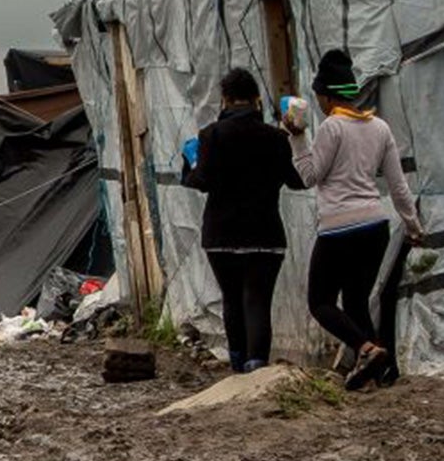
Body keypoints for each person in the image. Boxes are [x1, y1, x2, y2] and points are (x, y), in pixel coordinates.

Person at [286, 49, 425, 389]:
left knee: (320, 302)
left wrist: (297, 136)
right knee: (356, 301)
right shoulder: (380, 128)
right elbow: (398, 186)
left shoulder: (332, 127)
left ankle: (365, 349)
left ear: (328, 95)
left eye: (319, 96)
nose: (318, 102)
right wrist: (413, 226)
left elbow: (309, 176)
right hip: (375, 227)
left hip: (338, 229)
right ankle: (383, 370)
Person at [182, 67, 302, 372]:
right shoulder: (276, 138)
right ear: (256, 99)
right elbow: (295, 180)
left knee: (232, 299)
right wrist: (297, 138)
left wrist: (190, 163)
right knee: (257, 300)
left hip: (222, 234)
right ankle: (257, 366)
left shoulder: (210, 135)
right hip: (265, 233)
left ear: (224, 100)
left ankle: (237, 365)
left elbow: (202, 181)